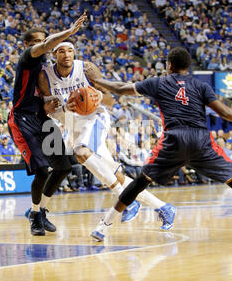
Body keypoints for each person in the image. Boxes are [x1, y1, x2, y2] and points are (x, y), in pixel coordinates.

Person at [86, 46, 232, 241]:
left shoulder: (158, 82)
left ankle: (104, 226)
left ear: (169, 65)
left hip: (174, 139)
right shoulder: (201, 86)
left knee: (140, 182)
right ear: (187, 67)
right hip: (200, 140)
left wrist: (97, 80)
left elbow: (121, 88)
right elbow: (227, 113)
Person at [38, 39, 170, 228]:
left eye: (70, 51)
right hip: (71, 124)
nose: (66, 55)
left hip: (95, 119)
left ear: (74, 53)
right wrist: (65, 109)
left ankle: (127, 203)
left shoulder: (86, 68)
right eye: (61, 51)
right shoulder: (46, 77)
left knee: (81, 152)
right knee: (115, 173)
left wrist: (97, 96)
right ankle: (163, 207)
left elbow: (110, 101)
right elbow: (51, 110)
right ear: (54, 55)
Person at [8, 13, 87, 236]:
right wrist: (69, 32)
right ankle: (33, 214)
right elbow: (46, 45)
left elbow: (45, 94)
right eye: (37, 42)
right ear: (27, 45)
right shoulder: (27, 58)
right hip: (22, 119)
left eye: (43, 41)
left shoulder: (47, 69)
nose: (42, 46)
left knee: (63, 167)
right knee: (42, 169)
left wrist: (50, 101)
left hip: (42, 119)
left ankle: (41, 210)